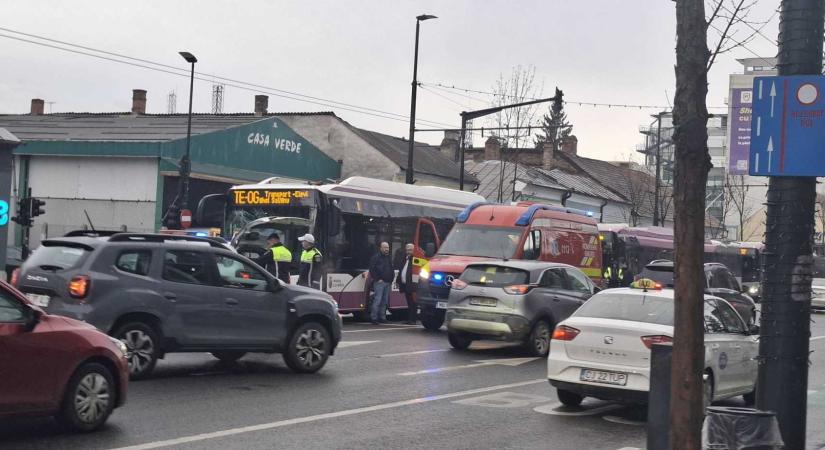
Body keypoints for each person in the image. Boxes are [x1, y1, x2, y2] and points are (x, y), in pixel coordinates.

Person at [369, 242, 394, 324]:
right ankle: (374, 318)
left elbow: (391, 268)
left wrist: (391, 279)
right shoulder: (376, 257)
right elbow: (372, 269)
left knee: (384, 301)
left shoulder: (388, 257)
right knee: (377, 300)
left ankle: (382, 317)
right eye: (385, 247)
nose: (387, 249)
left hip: (387, 282)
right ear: (380, 248)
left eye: (388, 247)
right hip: (379, 282)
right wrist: (377, 279)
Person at [396, 243, 417, 325]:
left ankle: (413, 320)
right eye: (407, 250)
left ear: (414, 250)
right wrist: (398, 281)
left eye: (410, 250)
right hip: (405, 284)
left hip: (412, 285)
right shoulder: (405, 259)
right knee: (408, 302)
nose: (408, 251)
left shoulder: (415, 260)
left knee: (413, 303)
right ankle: (409, 319)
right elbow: (401, 270)